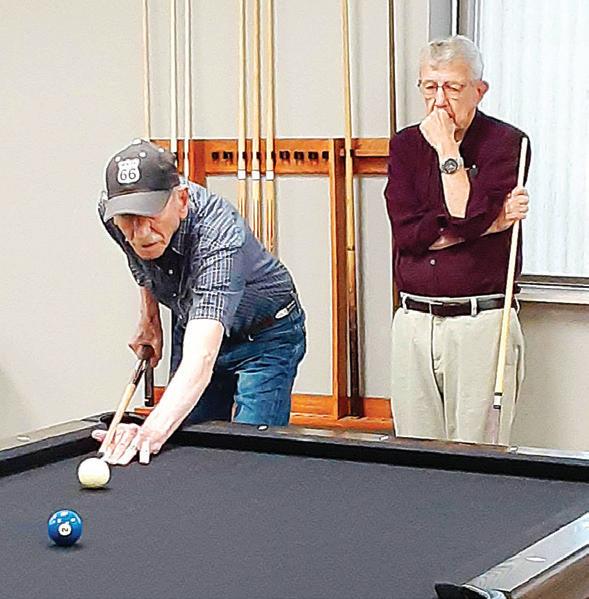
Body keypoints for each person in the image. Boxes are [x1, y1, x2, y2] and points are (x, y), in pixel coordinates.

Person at [93, 139, 306, 464]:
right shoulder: (111, 213)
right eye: (129, 218)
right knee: (187, 452)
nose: (141, 231)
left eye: (150, 213)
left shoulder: (219, 235)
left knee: (247, 459)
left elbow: (201, 358)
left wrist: (148, 431)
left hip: (264, 337)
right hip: (192, 323)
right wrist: (150, 319)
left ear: (181, 201)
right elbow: (141, 259)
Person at [384, 35, 530, 445]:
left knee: (477, 454)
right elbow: (407, 235)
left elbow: (465, 216)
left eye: (452, 87)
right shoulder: (405, 145)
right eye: (430, 87)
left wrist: (448, 148)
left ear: (479, 90)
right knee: (414, 454)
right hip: (414, 319)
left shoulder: (508, 143)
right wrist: (489, 223)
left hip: (480, 319)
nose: (439, 101)